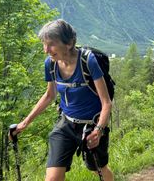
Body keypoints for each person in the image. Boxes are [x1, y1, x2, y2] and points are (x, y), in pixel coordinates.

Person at [10, 19, 114, 181]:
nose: (46, 50)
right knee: (52, 178)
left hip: (92, 125)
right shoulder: (50, 65)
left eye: (51, 44)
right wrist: (25, 122)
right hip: (66, 124)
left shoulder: (88, 61)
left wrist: (99, 130)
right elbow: (49, 95)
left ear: (69, 43)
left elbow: (106, 102)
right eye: (44, 44)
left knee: (98, 169)